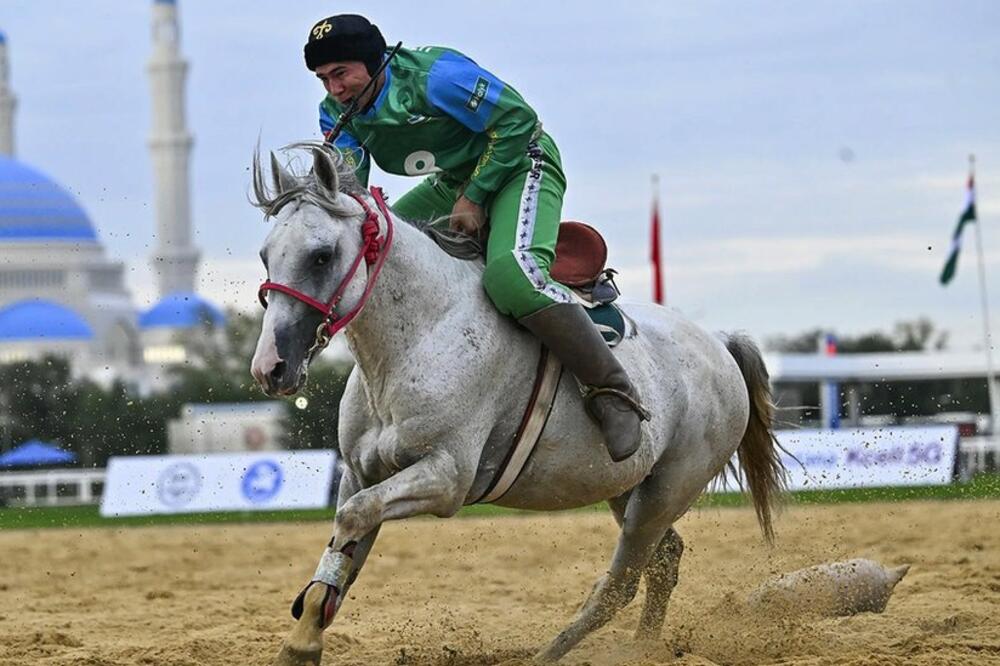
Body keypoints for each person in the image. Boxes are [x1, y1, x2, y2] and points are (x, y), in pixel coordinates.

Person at [304, 14, 648, 461]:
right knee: (374, 251)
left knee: (510, 279)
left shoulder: (437, 79)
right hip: (455, 180)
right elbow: (352, 196)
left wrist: (476, 195)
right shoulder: (334, 111)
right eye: (323, 78)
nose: (334, 89)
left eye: (341, 73)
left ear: (375, 62)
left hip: (522, 162)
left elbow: (520, 122)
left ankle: (613, 390)